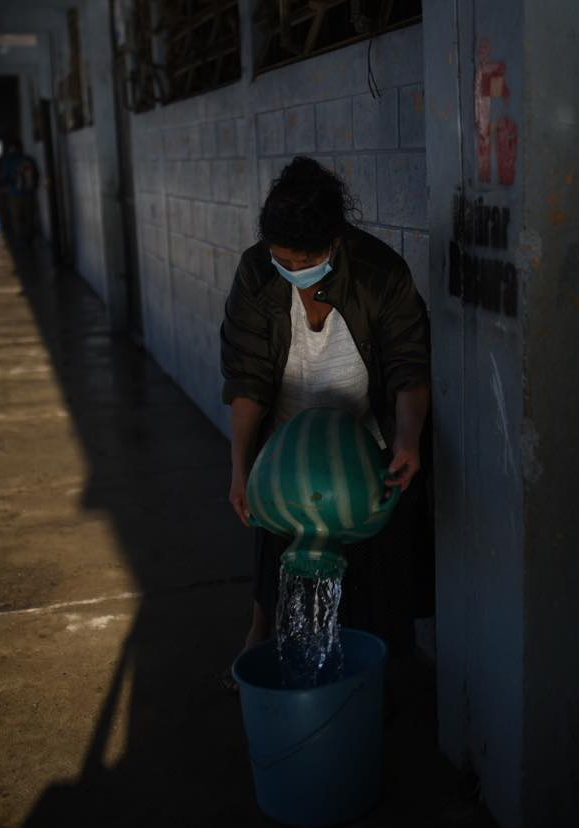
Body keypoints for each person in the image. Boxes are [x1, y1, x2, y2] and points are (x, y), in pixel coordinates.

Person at [221, 156, 432, 676]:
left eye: (305, 261)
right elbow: (246, 378)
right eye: (282, 261)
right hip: (286, 440)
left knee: (375, 579)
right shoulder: (254, 274)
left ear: (335, 242)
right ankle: (262, 637)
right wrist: (240, 467)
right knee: (278, 549)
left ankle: (375, 671)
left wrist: (408, 440)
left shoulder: (380, 274)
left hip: (365, 442)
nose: (293, 272)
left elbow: (409, 365)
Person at [0, 141, 39, 244]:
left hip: (14, 193)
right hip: (29, 192)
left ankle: (20, 238)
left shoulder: (8, 161)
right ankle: (29, 237)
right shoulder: (28, 159)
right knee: (29, 215)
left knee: (16, 217)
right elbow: (36, 175)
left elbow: (4, 177)